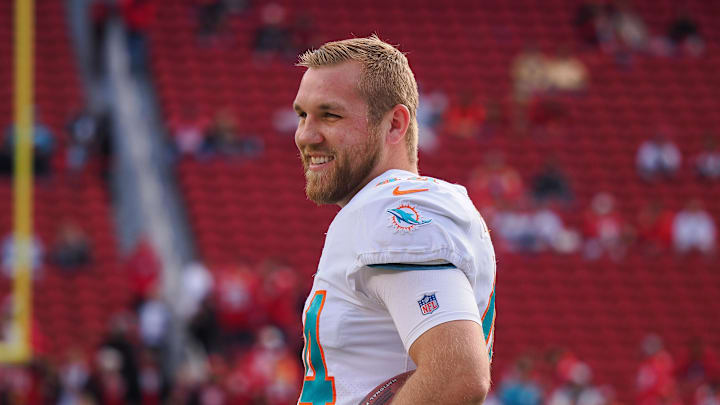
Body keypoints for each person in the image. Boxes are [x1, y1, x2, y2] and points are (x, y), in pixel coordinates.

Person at [291, 35, 494, 404]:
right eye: (302, 115)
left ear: (394, 125)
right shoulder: (377, 209)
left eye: (330, 115)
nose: (306, 135)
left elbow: (458, 374)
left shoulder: (394, 210)